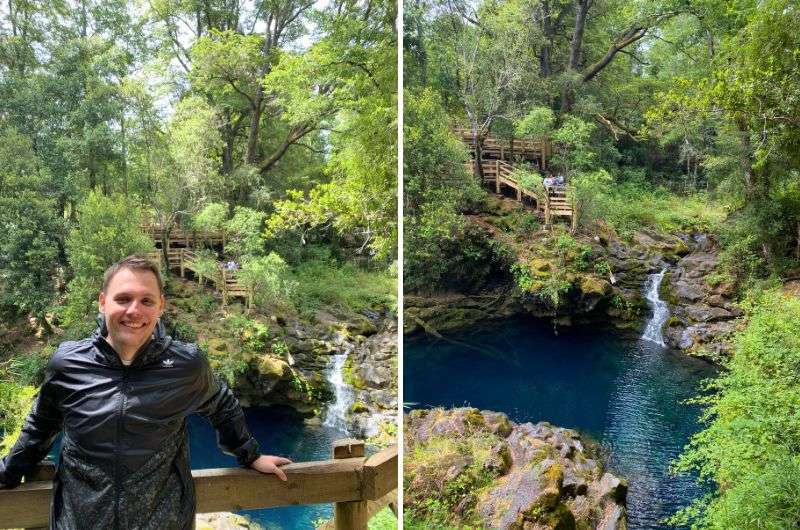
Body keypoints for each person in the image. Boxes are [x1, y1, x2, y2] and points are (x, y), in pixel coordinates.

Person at [0, 255, 291, 529]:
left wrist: (250, 455)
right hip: (80, 521)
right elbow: (41, 424)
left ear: (161, 306)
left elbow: (221, 403)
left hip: (162, 521)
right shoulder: (69, 364)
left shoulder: (185, 365)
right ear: (102, 302)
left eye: (146, 301)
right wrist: (8, 472)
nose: (134, 311)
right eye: (123, 299)